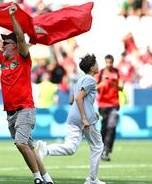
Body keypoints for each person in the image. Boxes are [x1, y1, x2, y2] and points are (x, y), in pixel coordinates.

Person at [0, 3, 54, 184]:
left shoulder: (23, 57)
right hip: (11, 113)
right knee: (28, 147)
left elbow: (22, 39)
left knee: (21, 144)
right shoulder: (2, 60)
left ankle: (37, 179)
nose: (3, 44)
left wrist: (13, 17)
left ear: (14, 45)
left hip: (25, 109)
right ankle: (48, 180)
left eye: (6, 42)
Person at [35, 54, 105, 184]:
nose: (98, 65)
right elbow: (78, 98)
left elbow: (72, 99)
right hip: (84, 119)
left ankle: (46, 149)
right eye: (96, 63)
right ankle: (92, 179)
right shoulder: (91, 80)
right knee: (98, 146)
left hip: (73, 117)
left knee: (71, 148)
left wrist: (91, 110)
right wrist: (85, 118)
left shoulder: (80, 79)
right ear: (91, 67)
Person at [96, 54, 123, 161]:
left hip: (114, 103)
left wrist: (115, 85)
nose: (108, 64)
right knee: (104, 127)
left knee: (112, 126)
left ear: (113, 62)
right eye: (107, 62)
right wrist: (101, 84)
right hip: (102, 104)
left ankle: (107, 150)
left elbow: (121, 87)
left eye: (110, 62)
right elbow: (94, 86)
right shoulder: (101, 72)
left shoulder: (117, 72)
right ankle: (101, 149)